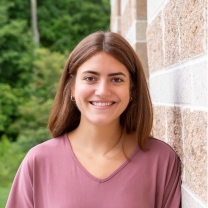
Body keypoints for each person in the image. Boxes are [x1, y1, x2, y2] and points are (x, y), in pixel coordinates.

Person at [6, 31, 181, 208]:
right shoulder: (39, 161)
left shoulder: (161, 160)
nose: (103, 91)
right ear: (72, 87)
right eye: (90, 78)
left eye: (116, 79)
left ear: (132, 90)